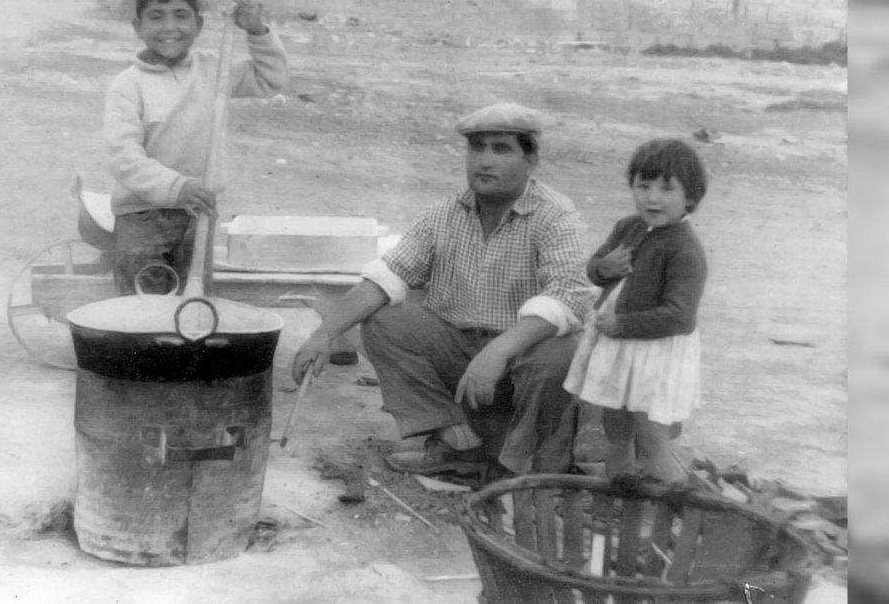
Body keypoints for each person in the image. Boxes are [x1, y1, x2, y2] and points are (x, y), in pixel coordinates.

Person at [291, 103, 596, 478]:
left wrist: (499, 350)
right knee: (387, 319)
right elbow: (388, 275)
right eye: (477, 147)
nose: (484, 161)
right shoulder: (443, 214)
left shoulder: (555, 216)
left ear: (530, 159)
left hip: (520, 363)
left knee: (560, 351)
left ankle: (527, 470)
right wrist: (324, 333)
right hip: (460, 359)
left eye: (501, 149)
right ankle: (457, 445)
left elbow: (569, 296)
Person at [104, 0, 288, 295]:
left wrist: (257, 31)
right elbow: (124, 158)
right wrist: (177, 187)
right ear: (137, 27)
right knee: (139, 307)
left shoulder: (213, 69)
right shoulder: (127, 85)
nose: (169, 27)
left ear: (199, 25)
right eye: (156, 17)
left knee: (193, 304)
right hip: (141, 215)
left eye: (181, 16)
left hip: (198, 214)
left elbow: (269, 80)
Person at [563, 138, 709, 484]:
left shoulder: (684, 249)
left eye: (666, 189)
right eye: (643, 186)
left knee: (651, 438)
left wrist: (623, 324)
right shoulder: (627, 227)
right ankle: (621, 504)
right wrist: (604, 268)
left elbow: (680, 316)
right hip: (619, 348)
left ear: (690, 196)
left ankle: (677, 508)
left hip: (654, 355)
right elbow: (594, 268)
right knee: (615, 429)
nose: (652, 197)